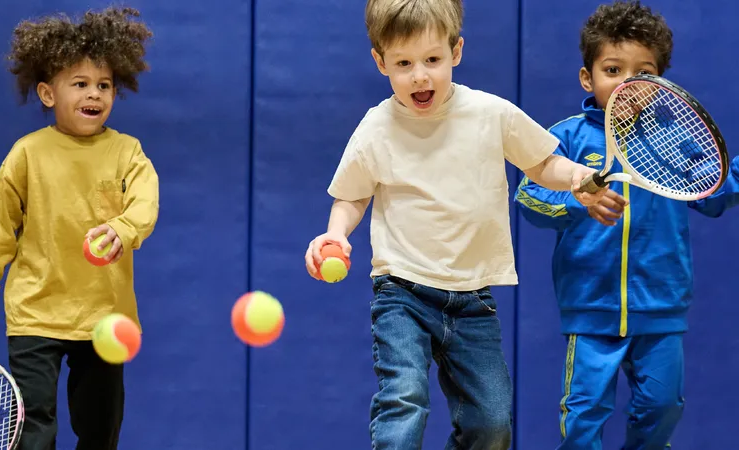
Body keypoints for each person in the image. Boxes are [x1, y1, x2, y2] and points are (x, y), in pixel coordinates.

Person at [303, 0, 606, 448]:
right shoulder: (376, 127)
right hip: (401, 293)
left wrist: (578, 177)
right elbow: (352, 193)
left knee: (493, 424)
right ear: (380, 61)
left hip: (472, 300)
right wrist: (335, 232)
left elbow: (543, 164)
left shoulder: (491, 113)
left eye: (432, 60)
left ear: (456, 51)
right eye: (403, 63)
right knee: (403, 401)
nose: (420, 75)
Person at [513, 1, 739, 448]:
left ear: (661, 84)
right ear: (588, 77)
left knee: (662, 408)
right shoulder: (568, 138)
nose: (627, 83)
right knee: (582, 421)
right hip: (590, 308)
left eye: (644, 73)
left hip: (661, 306)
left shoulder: (675, 141)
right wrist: (579, 201)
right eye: (613, 69)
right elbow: (528, 198)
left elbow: (714, 194)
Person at [0, 7, 158, 450]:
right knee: (34, 431)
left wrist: (123, 229)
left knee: (100, 431)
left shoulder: (127, 151)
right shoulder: (27, 154)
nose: (95, 94)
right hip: (35, 314)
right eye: (81, 83)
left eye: (104, 85)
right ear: (48, 94)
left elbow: (146, 204)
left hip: (104, 319)